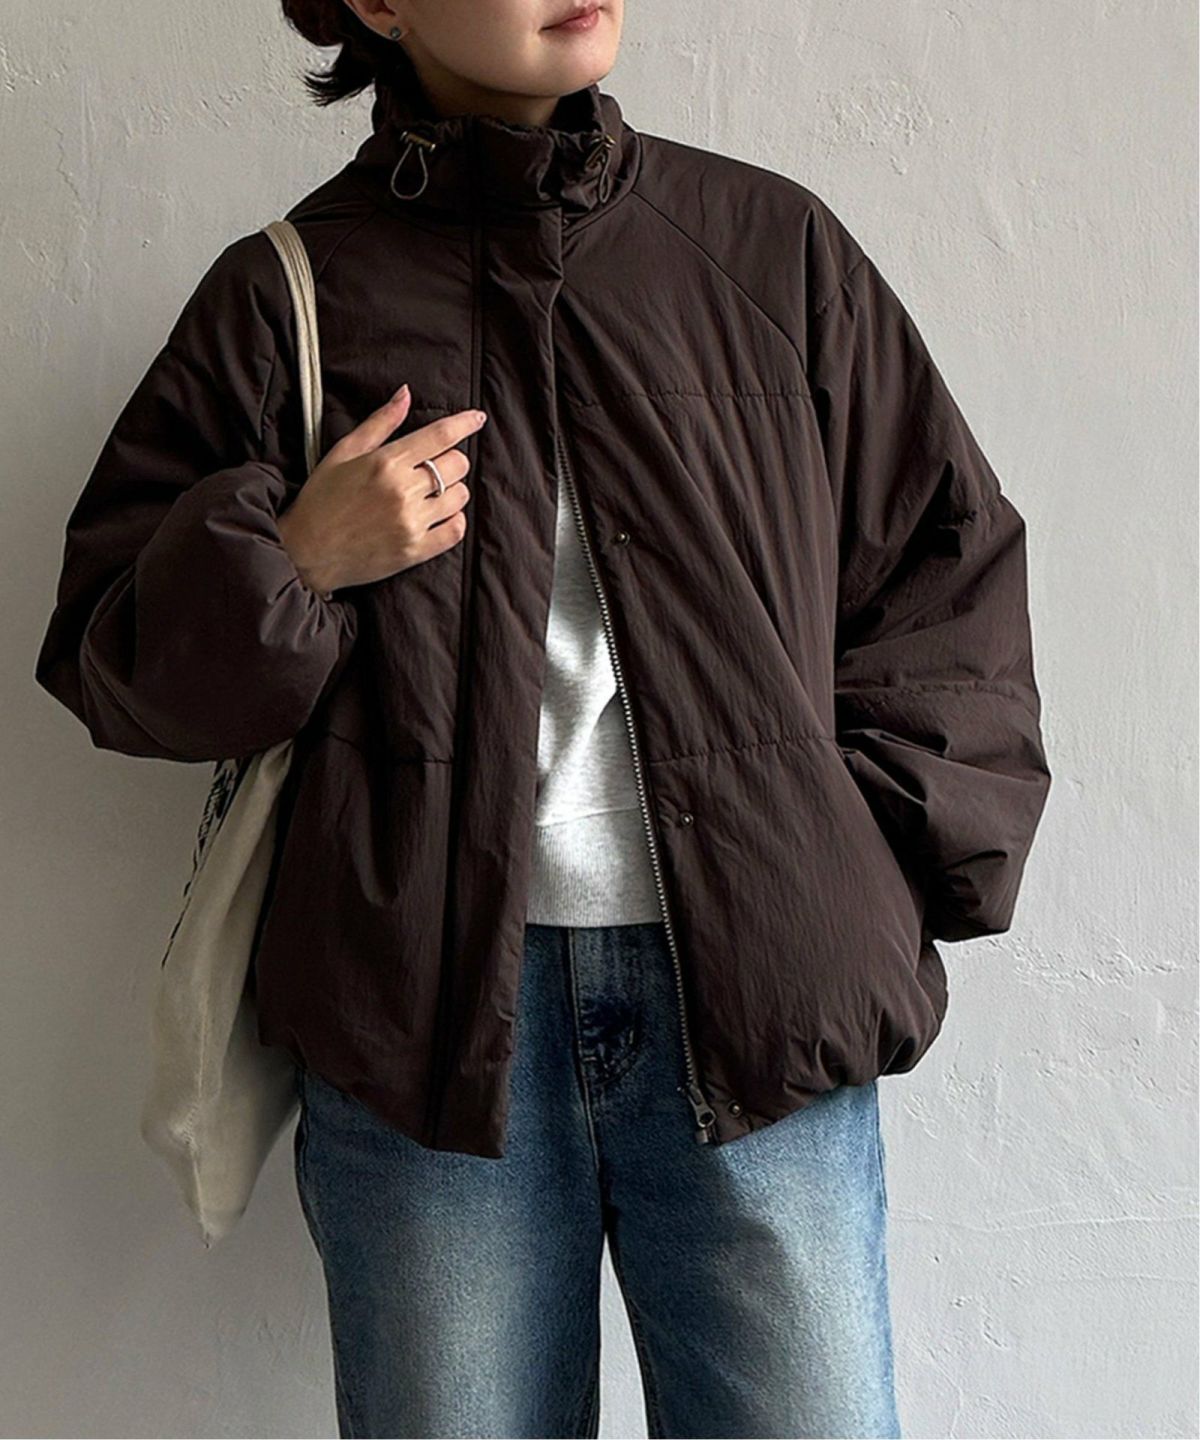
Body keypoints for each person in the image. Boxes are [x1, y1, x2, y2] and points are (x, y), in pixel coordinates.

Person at [33, 0, 1053, 1435]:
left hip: (759, 1007)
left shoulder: (768, 248)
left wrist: (858, 875)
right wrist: (293, 561)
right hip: (427, 1035)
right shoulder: (287, 295)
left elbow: (945, 572)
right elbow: (113, 660)